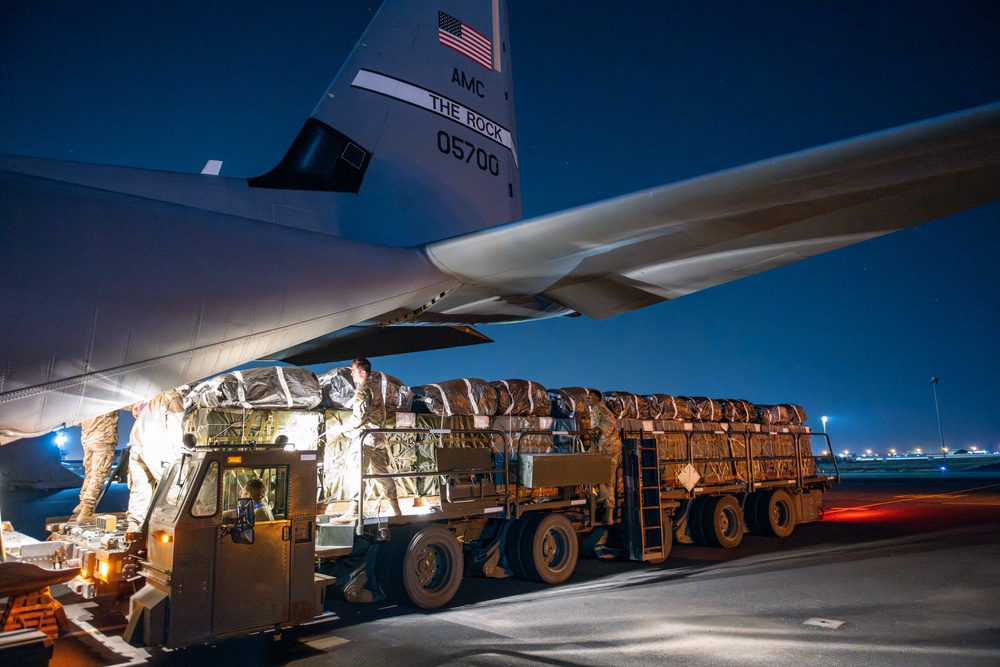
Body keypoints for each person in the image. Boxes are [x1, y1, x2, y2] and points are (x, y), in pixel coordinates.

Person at [328, 358, 400, 521]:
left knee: (356, 472)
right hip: (379, 438)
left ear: (362, 372)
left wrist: (340, 429)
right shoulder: (376, 387)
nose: (351, 374)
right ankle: (396, 509)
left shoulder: (362, 389)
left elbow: (358, 417)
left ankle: (354, 510)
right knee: (381, 473)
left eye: (353, 370)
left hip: (365, 439)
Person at [125, 387, 187, 534]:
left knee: (140, 490)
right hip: (156, 446)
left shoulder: (147, 398)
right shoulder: (172, 397)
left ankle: (133, 530)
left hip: (136, 447)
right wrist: (182, 455)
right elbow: (176, 429)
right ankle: (180, 526)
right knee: (174, 487)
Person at [71, 410, 119, 522]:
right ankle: (87, 511)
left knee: (90, 475)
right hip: (103, 439)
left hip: (88, 439)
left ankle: (82, 504)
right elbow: (131, 406)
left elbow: (76, 422)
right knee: (98, 477)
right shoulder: (110, 396)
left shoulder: (88, 399)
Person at [584, 389, 622, 522]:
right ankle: (602, 504)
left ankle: (609, 514)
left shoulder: (601, 409)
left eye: (591, 396)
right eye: (587, 396)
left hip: (609, 449)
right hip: (604, 449)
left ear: (597, 399)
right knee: (602, 478)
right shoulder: (595, 409)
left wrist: (593, 430)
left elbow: (608, 423)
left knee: (608, 479)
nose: (587, 398)